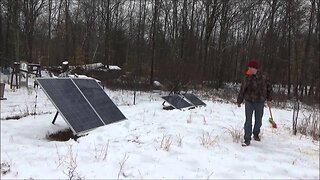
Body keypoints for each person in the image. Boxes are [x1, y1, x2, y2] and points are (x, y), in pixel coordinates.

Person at [237, 59, 273, 146]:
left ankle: (256, 133)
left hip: (260, 102)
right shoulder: (247, 77)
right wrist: (239, 100)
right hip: (249, 101)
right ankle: (247, 138)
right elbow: (243, 89)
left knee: (258, 121)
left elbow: (269, 89)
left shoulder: (264, 77)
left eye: (251, 67)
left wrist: (269, 99)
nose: (249, 69)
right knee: (248, 121)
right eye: (249, 67)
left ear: (255, 68)